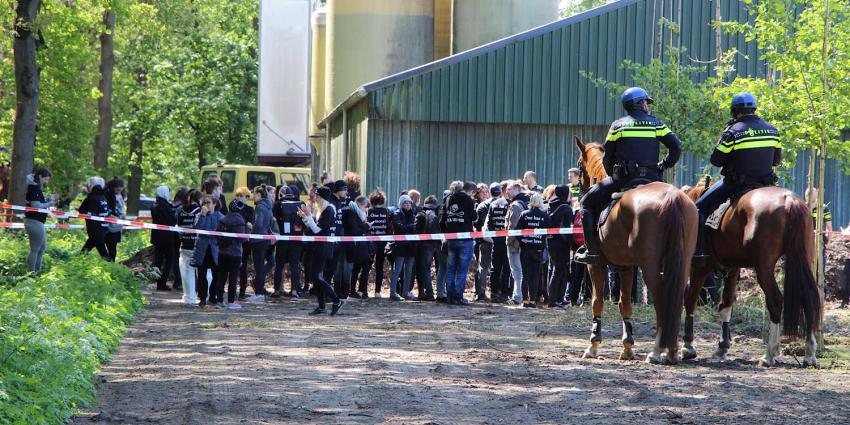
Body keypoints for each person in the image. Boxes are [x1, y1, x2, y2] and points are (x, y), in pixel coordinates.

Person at [576, 87, 682, 265]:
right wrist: (664, 164)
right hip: (652, 178)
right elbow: (676, 147)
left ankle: (591, 252)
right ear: (639, 104)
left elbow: (607, 156)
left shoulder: (618, 126)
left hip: (624, 179)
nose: (647, 106)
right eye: (645, 102)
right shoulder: (656, 124)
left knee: (585, 202)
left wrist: (612, 174)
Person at [692, 92, 780, 265]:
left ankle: (700, 252)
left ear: (734, 112)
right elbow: (776, 160)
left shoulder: (732, 132)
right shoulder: (772, 129)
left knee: (699, 207)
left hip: (737, 184)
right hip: (766, 185)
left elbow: (716, 161)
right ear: (754, 109)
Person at [298, 186, 345, 316]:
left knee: (316, 277)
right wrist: (305, 217)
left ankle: (336, 300)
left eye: (317, 196)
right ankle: (322, 306)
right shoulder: (324, 210)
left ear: (322, 197)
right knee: (318, 277)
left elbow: (317, 230)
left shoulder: (329, 210)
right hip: (320, 245)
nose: (315, 198)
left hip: (324, 246)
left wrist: (308, 216)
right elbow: (315, 228)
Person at [440, 181, 478, 305]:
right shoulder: (468, 200)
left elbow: (443, 218)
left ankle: (450, 296)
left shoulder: (449, 198)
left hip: (451, 238)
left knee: (451, 269)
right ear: (471, 191)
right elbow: (473, 217)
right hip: (465, 238)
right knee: (462, 270)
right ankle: (458, 297)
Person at [518, 193, 552, 308]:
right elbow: (550, 233)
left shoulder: (524, 214)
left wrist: (523, 241)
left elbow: (517, 232)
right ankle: (532, 301)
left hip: (525, 249)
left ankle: (524, 301)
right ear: (541, 202)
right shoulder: (544, 216)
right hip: (538, 249)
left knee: (525, 275)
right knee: (535, 276)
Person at [272, 185, 305, 298]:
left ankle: (277, 291)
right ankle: (294, 291)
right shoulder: (301, 204)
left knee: (279, 266)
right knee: (294, 266)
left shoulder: (277, 205)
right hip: (297, 240)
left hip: (282, 240)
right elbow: (305, 221)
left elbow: (273, 221)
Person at [215, 206, 248, 310]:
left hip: (222, 252)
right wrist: (249, 229)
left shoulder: (223, 219)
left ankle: (219, 300)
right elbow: (242, 239)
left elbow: (217, 235)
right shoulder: (240, 220)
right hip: (235, 253)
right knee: (233, 278)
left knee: (221, 277)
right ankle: (231, 301)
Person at [193, 196, 223, 307]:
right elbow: (197, 228)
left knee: (217, 275)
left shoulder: (220, 217)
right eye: (204, 202)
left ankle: (212, 295)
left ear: (215, 204)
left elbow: (221, 232)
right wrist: (203, 216)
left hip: (215, 249)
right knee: (201, 275)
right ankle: (202, 297)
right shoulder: (199, 215)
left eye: (208, 202)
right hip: (202, 249)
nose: (206, 204)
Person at [24, 167, 55, 273]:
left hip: (38, 221)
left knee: (41, 249)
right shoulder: (34, 188)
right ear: (40, 176)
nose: (46, 182)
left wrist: (46, 205)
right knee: (35, 249)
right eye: (45, 179)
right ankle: (31, 273)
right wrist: (49, 204)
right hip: (34, 221)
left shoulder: (36, 188)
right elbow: (36, 205)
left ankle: (37, 272)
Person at [547, 185, 574, 308]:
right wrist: (571, 243)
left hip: (551, 241)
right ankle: (554, 300)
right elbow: (568, 227)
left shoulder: (550, 205)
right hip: (562, 243)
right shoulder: (566, 208)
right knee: (560, 270)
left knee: (554, 269)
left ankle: (555, 299)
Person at [176, 189, 203, 306]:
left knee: (186, 272)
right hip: (196, 245)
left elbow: (179, 229)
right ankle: (202, 296)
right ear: (198, 199)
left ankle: (188, 297)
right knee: (202, 272)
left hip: (184, 244)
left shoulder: (181, 211)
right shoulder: (199, 211)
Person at [249, 185, 275, 301]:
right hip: (266, 240)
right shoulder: (269, 206)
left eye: (254, 194)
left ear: (259, 195)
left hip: (258, 240)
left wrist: (251, 226)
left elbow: (258, 224)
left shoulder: (259, 207)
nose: (252, 197)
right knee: (266, 264)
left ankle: (259, 293)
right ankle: (259, 286)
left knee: (258, 267)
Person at [505, 181, 530, 304]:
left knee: (516, 271)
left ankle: (517, 297)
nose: (506, 191)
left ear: (517, 190)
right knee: (521, 270)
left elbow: (513, 226)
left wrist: (510, 242)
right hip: (526, 242)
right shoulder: (528, 202)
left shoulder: (515, 205)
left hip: (515, 244)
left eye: (509, 189)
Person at [229, 187, 255, 300]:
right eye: (238, 196)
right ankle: (232, 291)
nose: (240, 198)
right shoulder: (232, 207)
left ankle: (242, 292)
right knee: (233, 267)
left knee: (243, 267)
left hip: (244, 241)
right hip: (232, 241)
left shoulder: (250, 209)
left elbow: (251, 223)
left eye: (243, 196)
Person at [150, 184, 178, 290]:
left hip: (157, 237)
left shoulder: (155, 206)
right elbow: (172, 221)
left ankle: (157, 281)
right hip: (167, 238)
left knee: (158, 260)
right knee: (169, 260)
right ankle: (162, 282)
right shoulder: (166, 207)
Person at [473, 183, 498, 302]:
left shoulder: (481, 206)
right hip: (497, 240)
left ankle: (480, 292)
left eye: (486, 191)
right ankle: (495, 292)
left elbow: (477, 224)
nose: (485, 194)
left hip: (483, 239)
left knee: (482, 267)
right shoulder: (501, 204)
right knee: (496, 267)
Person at [344, 195, 372, 298]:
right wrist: (366, 226)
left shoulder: (358, 213)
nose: (366, 208)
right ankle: (357, 290)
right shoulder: (352, 213)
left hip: (361, 243)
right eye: (365, 206)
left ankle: (359, 290)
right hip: (356, 244)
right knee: (359, 267)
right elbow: (355, 230)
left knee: (359, 267)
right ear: (360, 204)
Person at [487, 181, 511, 303]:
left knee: (495, 267)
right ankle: (504, 292)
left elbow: (489, 223)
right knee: (506, 268)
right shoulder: (510, 204)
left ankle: (494, 292)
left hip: (496, 240)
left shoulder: (493, 204)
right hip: (507, 241)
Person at [414, 195, 441, 301]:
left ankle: (429, 293)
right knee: (441, 269)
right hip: (439, 244)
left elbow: (416, 231)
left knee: (425, 269)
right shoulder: (439, 214)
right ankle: (441, 293)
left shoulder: (420, 214)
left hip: (425, 245)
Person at [391, 194, 417, 300]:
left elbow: (414, 228)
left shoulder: (413, 214)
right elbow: (400, 228)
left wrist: (411, 228)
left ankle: (406, 292)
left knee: (409, 270)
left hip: (411, 245)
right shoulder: (396, 214)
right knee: (397, 269)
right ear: (401, 204)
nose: (408, 204)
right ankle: (393, 292)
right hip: (400, 245)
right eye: (405, 203)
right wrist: (412, 227)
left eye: (409, 202)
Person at [79, 176, 111, 260]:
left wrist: (83, 211)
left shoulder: (92, 198)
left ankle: (113, 268)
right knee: (85, 250)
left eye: (88, 186)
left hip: (95, 229)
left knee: (104, 254)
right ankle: (78, 261)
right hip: (103, 228)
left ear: (91, 186)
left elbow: (91, 214)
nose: (87, 187)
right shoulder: (103, 197)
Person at [806, 188, 832, 284]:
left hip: (819, 240)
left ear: (816, 194)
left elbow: (829, 226)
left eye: (811, 193)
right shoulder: (804, 206)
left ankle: (821, 287)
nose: (809, 195)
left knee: (820, 264)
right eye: (808, 193)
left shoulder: (824, 208)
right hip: (805, 240)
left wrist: (829, 240)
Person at [367, 190, 390, 298]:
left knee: (367, 265)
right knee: (379, 267)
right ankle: (377, 292)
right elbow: (388, 226)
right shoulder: (386, 211)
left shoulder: (370, 211)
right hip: (382, 242)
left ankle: (363, 290)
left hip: (371, 241)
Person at [104, 177, 126, 262]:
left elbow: (122, 208)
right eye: (117, 186)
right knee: (110, 243)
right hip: (110, 222)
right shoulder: (108, 195)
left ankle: (111, 260)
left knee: (114, 244)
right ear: (113, 187)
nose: (119, 188)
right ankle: (109, 260)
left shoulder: (121, 195)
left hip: (118, 222)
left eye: (121, 186)